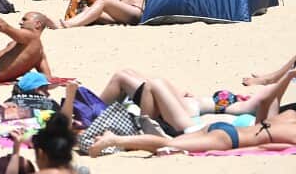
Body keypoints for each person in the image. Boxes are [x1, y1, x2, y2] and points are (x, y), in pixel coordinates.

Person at [88, 71, 296, 157]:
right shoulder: (289, 129)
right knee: (167, 144)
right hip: (226, 139)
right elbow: (269, 146)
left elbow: (268, 102)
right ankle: (114, 139)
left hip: (221, 130)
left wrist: (287, 78)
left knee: (167, 142)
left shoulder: (283, 119)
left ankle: (122, 135)